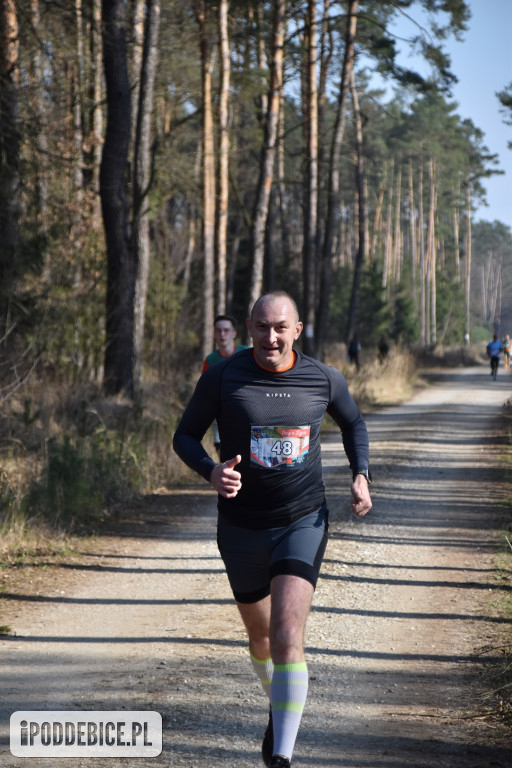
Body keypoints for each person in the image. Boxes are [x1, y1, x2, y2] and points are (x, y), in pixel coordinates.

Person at [173, 291, 372, 768]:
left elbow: (354, 422)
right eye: (262, 327)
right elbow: (184, 435)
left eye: (281, 327)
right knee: (261, 639)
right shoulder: (222, 375)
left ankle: (281, 755)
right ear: (248, 328)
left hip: (302, 519)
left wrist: (361, 473)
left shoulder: (323, 378)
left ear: (297, 330)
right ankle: (277, 701)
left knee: (286, 633)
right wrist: (210, 471)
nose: (271, 336)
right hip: (240, 526)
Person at [202, 314, 248, 456]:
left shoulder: (246, 354)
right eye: (219, 330)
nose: (222, 334)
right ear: (214, 333)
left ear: (234, 333)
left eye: (226, 330)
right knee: (223, 454)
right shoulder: (210, 360)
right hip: (220, 414)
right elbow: (205, 390)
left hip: (245, 410)